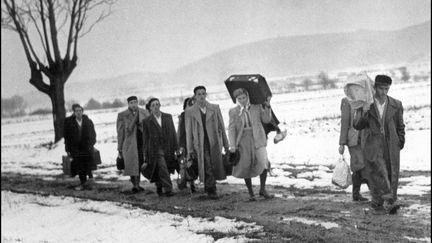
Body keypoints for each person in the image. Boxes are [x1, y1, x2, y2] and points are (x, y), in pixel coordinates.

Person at [353, 74, 405, 214]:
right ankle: (382, 202)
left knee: (391, 172)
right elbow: (357, 125)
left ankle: (386, 201)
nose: (384, 92)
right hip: (372, 144)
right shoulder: (366, 104)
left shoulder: (396, 104)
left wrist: (400, 141)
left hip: (391, 145)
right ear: (375, 88)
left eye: (387, 89)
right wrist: (363, 112)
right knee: (376, 172)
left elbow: (400, 126)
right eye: (381, 88)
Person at [228, 88, 274, 201]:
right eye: (239, 98)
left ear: (247, 97)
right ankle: (251, 193)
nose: (242, 100)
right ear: (236, 99)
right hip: (243, 141)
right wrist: (232, 145)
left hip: (258, 139)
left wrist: (268, 106)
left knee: (263, 162)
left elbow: (266, 119)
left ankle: (262, 189)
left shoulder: (256, 107)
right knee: (246, 165)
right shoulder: (234, 111)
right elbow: (231, 129)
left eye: (244, 97)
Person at [185, 86, 229, 199]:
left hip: (214, 142)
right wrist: (190, 150)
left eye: (203, 93)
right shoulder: (190, 111)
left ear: (206, 95)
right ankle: (211, 189)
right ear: (195, 96)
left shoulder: (214, 108)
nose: (201, 96)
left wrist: (226, 144)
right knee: (207, 165)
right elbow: (189, 132)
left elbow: (222, 127)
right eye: (198, 94)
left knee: (214, 165)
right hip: (200, 144)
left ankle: (209, 186)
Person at [141, 98, 178, 197]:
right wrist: (145, 155)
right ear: (150, 108)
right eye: (153, 105)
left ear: (160, 105)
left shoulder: (168, 117)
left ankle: (159, 186)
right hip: (155, 149)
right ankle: (168, 189)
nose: (156, 107)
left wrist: (176, 147)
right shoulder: (147, 121)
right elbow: (145, 139)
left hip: (168, 147)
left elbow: (173, 133)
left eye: (157, 104)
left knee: (164, 168)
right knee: (162, 167)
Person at [117, 96, 150, 193]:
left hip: (142, 142)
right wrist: (120, 148)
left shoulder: (143, 112)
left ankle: (138, 183)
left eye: (135, 102)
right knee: (132, 164)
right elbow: (120, 132)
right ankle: (135, 184)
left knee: (140, 163)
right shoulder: (122, 115)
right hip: (129, 144)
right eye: (131, 103)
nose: (134, 104)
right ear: (128, 104)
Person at [339, 97, 369, 202]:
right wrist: (342, 143)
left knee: (367, 165)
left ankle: (373, 194)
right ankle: (356, 194)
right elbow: (344, 122)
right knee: (358, 165)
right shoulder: (346, 102)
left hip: (366, 139)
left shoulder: (366, 100)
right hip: (353, 140)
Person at [64, 104, 96, 191]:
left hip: (87, 147)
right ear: (74, 113)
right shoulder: (69, 123)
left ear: (82, 111)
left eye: (80, 111)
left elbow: (93, 134)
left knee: (87, 164)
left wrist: (91, 144)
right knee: (79, 165)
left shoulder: (88, 121)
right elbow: (66, 137)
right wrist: (67, 149)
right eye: (76, 111)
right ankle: (83, 182)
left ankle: (89, 182)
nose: (78, 113)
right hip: (75, 148)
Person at [177, 97, 198, 193]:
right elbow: (180, 132)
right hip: (185, 143)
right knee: (187, 164)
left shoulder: (197, 114)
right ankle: (190, 183)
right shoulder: (183, 116)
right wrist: (180, 146)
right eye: (189, 105)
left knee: (196, 163)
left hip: (196, 143)